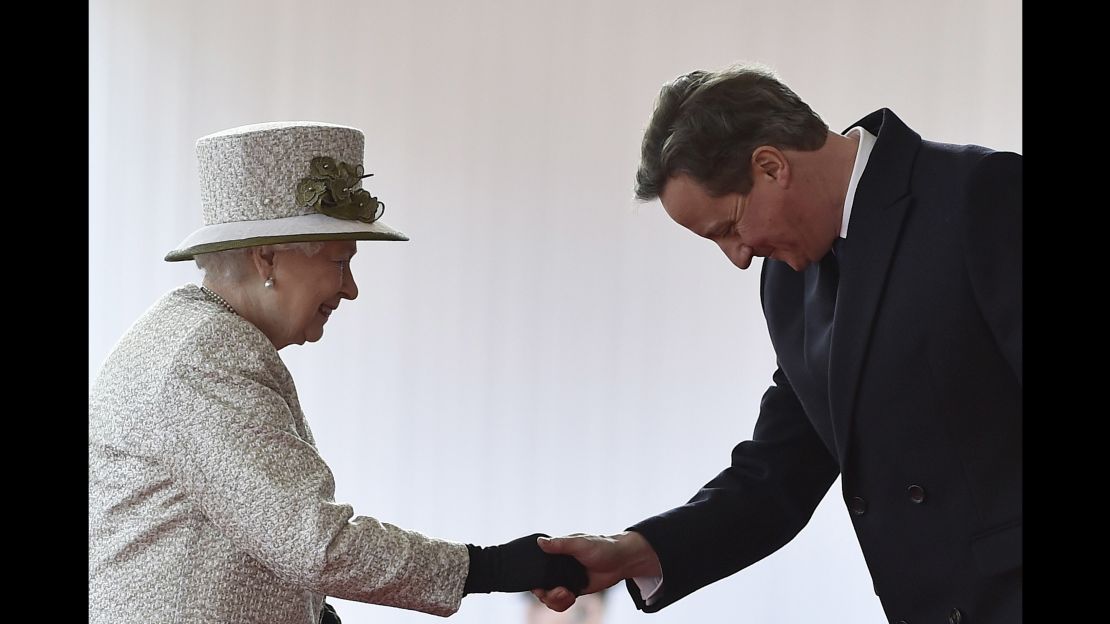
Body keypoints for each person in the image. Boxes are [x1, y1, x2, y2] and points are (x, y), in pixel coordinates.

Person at [534, 63, 1022, 623]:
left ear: (770, 166)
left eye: (730, 227)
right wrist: (635, 551)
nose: (739, 256)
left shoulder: (983, 194)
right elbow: (781, 469)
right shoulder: (789, 280)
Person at [89, 121, 586, 624]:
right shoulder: (207, 355)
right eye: (340, 261)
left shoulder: (193, 336)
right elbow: (313, 542)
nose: (350, 289)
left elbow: (254, 531)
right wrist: (495, 567)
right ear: (267, 257)